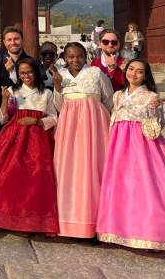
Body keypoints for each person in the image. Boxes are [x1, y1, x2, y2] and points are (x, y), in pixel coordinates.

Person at [96, 57, 165, 252]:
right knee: (122, 187)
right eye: (131, 69)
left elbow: (158, 127)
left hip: (142, 145)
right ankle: (121, 230)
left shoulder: (151, 97)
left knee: (147, 187)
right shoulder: (117, 95)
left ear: (146, 76)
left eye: (140, 71)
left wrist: (152, 113)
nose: (134, 73)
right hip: (119, 146)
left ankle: (154, 233)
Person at [0, 57, 59, 235]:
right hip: (14, 138)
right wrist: (5, 100)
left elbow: (54, 118)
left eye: (29, 72)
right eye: (22, 73)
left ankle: (31, 221)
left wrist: (36, 121)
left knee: (35, 178)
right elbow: (1, 118)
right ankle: (8, 217)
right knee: (5, 174)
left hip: (38, 140)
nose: (26, 75)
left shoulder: (46, 93)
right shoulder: (14, 91)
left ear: (35, 72)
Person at [52, 42, 113, 240]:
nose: (75, 60)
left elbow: (109, 100)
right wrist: (57, 87)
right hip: (69, 130)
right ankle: (70, 223)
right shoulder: (61, 75)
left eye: (79, 56)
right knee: (69, 171)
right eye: (71, 57)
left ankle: (96, 223)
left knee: (93, 170)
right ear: (65, 58)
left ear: (85, 56)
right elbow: (59, 105)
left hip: (94, 129)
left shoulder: (96, 73)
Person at [0, 26, 30, 141]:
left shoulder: (33, 63)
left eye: (16, 39)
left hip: (28, 116)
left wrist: (13, 72)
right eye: (9, 40)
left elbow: (36, 88)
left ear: (22, 40)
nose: (13, 43)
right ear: (4, 42)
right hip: (4, 118)